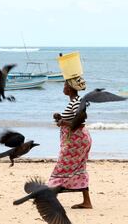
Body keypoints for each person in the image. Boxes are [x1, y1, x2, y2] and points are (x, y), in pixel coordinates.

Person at [48, 76, 93, 209]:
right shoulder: (75, 101)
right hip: (77, 140)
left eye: (65, 85)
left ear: (71, 88)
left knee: (61, 167)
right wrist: (60, 119)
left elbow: (79, 122)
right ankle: (87, 202)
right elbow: (73, 120)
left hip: (76, 142)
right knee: (79, 168)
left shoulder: (78, 102)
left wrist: (63, 122)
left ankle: (49, 198)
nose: (64, 87)